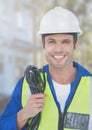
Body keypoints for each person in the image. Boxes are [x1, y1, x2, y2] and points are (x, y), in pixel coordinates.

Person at [0, 6, 92, 130]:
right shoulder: (26, 85)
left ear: (76, 44)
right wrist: (23, 115)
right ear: (43, 44)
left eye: (65, 41)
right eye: (51, 41)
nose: (58, 49)